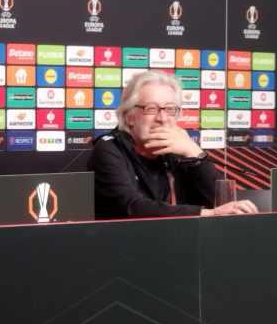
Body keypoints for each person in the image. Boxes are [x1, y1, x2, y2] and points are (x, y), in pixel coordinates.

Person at [88, 70, 257, 219]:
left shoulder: (178, 150)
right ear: (129, 116)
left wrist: (195, 154)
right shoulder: (109, 149)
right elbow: (131, 207)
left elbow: (222, 201)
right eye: (151, 109)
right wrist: (206, 213)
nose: (162, 118)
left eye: (170, 109)